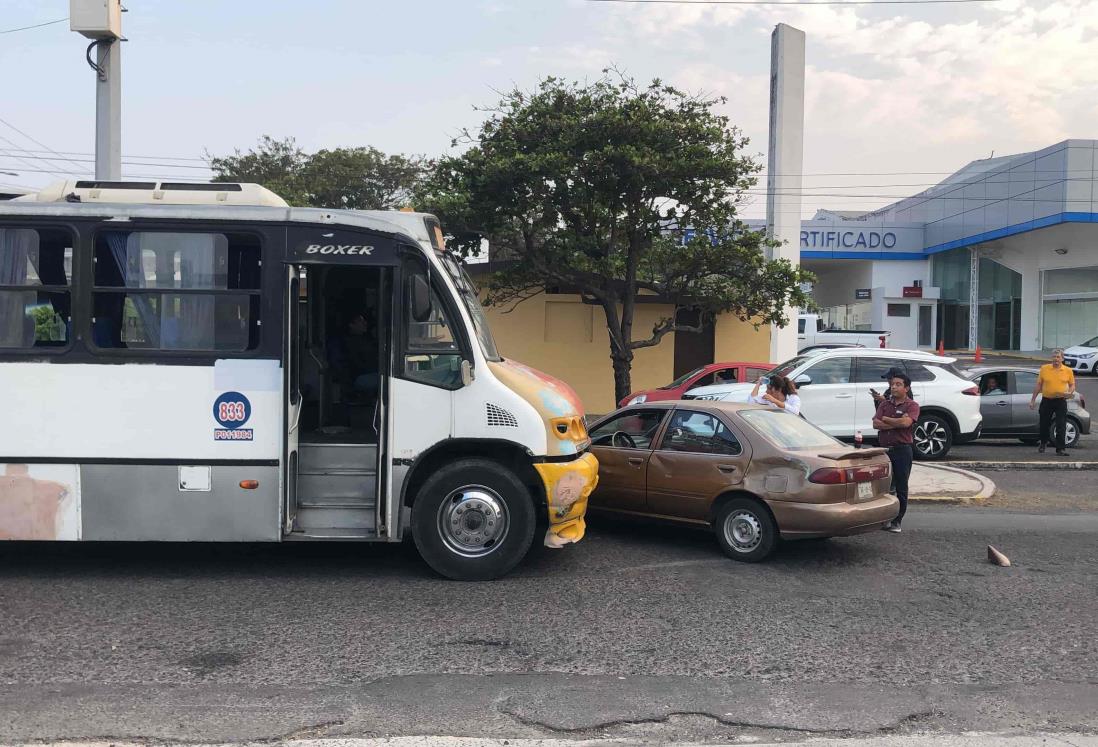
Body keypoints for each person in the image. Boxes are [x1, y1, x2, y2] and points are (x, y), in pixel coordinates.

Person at [873, 372, 919, 534]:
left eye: (898, 384)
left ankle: (897, 520)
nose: (893, 387)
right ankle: (884, 518)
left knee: (901, 485)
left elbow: (907, 422)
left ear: (906, 388)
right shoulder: (885, 404)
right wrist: (896, 423)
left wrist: (887, 420)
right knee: (883, 485)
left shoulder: (912, 406)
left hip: (902, 450)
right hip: (885, 450)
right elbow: (876, 424)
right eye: (892, 384)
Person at [1029, 348, 1075, 456]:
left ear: (1062, 359)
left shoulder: (1068, 370)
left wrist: (1070, 392)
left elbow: (1072, 384)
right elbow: (1039, 385)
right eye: (1054, 357)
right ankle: (1043, 442)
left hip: (1060, 401)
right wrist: (1033, 400)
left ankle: (1060, 449)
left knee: (1061, 425)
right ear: (1051, 358)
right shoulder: (1044, 369)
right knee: (1044, 424)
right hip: (1047, 400)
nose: (1056, 359)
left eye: (1058, 357)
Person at [329, 308, 380, 403]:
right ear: (351, 325)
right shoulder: (350, 343)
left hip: (367, 374)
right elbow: (359, 365)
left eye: (364, 320)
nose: (365, 323)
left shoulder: (365, 339)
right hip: (358, 377)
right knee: (388, 381)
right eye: (360, 321)